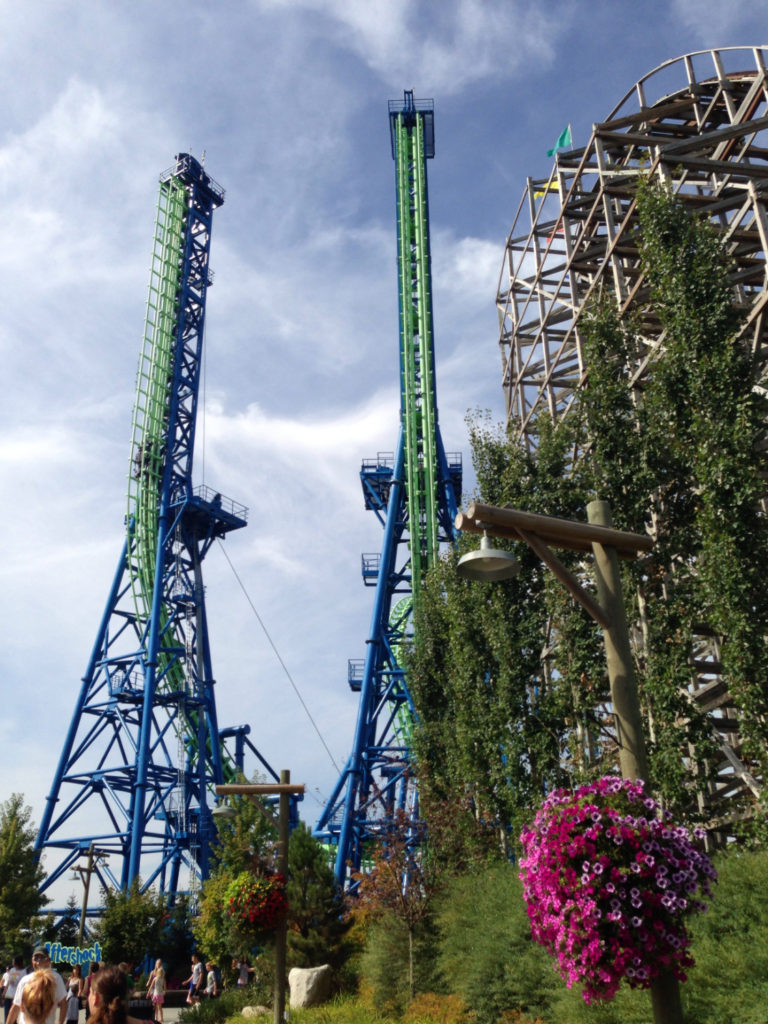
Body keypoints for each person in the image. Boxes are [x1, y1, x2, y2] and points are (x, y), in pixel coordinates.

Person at [8, 950, 66, 1024]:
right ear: (32, 961)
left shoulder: (56, 979)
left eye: (42, 958)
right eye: (36, 959)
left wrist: (60, 1022)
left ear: (48, 960)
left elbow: (63, 1003)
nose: (38, 962)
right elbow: (16, 1006)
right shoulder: (25, 980)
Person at [2, 957, 26, 1022]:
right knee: (7, 1014)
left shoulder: (24, 971)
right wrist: (4, 992)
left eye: (13, 961)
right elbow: (8, 982)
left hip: (16, 995)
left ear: (17, 962)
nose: (12, 962)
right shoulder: (12, 970)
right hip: (8, 994)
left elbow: (23, 984)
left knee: (13, 1015)